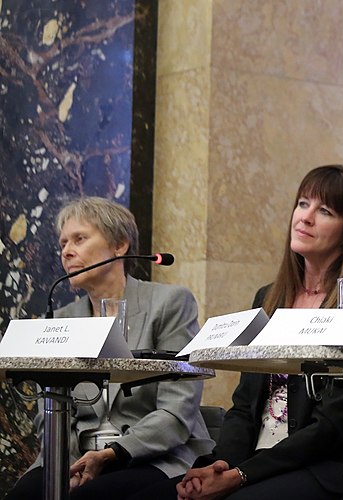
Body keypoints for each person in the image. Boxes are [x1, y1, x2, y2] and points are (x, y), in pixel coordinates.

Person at [135, 164, 343, 500]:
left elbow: (332, 426)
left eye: (324, 211)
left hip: (321, 468)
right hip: (250, 462)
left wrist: (240, 476)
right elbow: (243, 405)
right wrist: (222, 466)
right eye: (302, 204)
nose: (305, 218)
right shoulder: (268, 297)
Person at [7, 197, 213, 500]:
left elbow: (176, 412)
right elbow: (46, 415)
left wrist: (110, 454)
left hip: (150, 456)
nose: (66, 251)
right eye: (63, 242)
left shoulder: (169, 304)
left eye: (80, 238)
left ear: (119, 246)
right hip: (74, 457)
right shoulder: (60, 319)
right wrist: (74, 463)